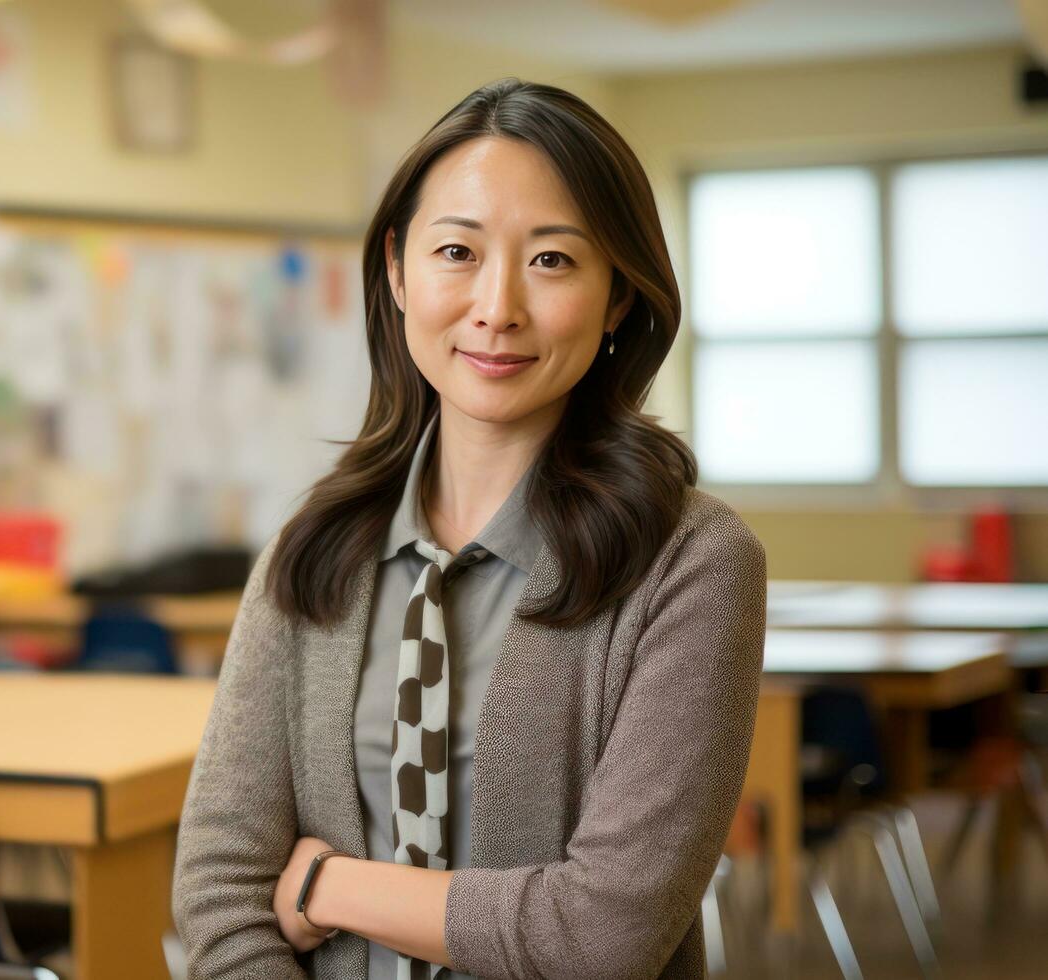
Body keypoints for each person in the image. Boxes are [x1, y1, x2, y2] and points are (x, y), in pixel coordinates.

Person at [172, 77, 767, 980]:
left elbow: (602, 937)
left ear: (617, 299)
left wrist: (325, 887)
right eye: (458, 251)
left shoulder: (694, 563)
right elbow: (220, 888)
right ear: (399, 271)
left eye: (553, 261)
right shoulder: (316, 548)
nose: (498, 308)